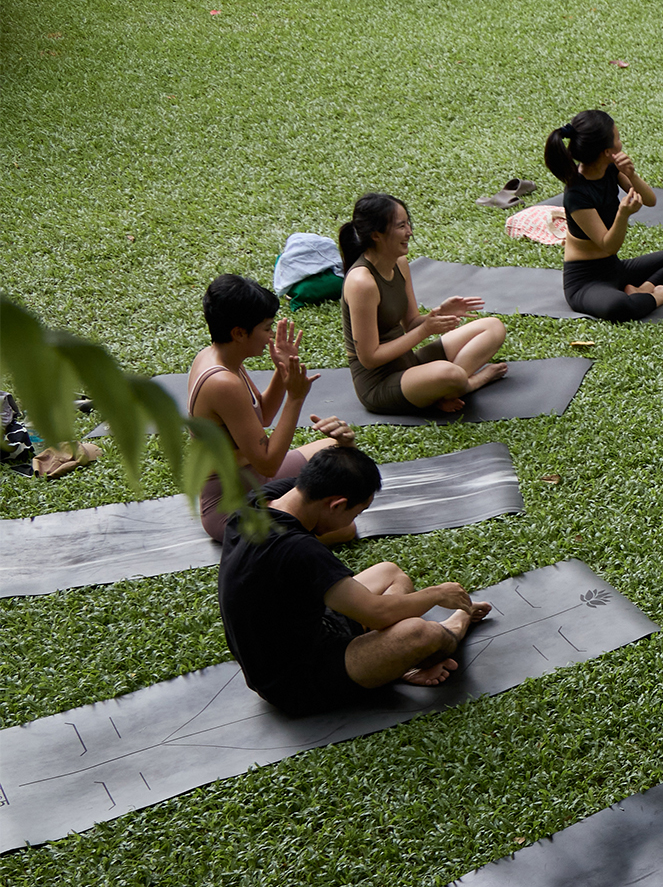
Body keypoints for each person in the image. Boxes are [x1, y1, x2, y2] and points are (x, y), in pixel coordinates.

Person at [218, 446, 492, 717]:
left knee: (389, 572)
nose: (354, 520)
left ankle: (395, 666)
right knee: (422, 633)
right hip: (296, 683)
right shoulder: (300, 550)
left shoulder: (259, 500)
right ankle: (457, 623)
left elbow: (336, 488)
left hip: (304, 633)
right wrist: (436, 594)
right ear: (336, 504)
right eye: (356, 512)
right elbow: (378, 615)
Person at [187, 274, 358, 544]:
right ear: (239, 333)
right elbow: (267, 461)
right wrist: (295, 399)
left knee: (335, 449)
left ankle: (290, 502)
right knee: (344, 529)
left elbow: (263, 414)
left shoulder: (222, 356)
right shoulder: (222, 382)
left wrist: (283, 368)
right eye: (266, 328)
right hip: (231, 505)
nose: (270, 337)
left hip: (258, 479)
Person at [340, 192, 508, 416]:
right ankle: (469, 384)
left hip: (410, 364)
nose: (409, 232)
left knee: (493, 327)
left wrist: (437, 315)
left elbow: (411, 323)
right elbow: (369, 358)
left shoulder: (399, 262)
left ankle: (439, 392)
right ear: (376, 235)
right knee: (452, 374)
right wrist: (426, 330)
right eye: (401, 226)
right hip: (380, 384)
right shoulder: (362, 282)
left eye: (408, 224)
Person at [545, 111, 663, 323]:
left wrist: (631, 174)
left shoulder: (610, 168)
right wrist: (623, 213)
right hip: (586, 281)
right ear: (607, 151)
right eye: (617, 137)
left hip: (614, 268)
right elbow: (608, 245)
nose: (621, 141)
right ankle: (662, 295)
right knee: (619, 306)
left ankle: (643, 289)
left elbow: (650, 200)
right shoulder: (576, 194)